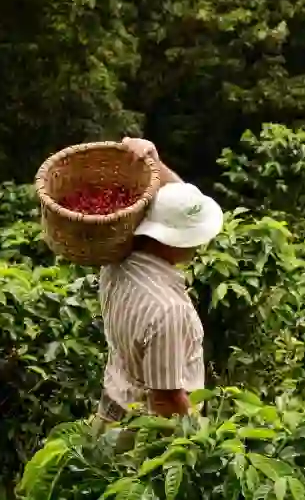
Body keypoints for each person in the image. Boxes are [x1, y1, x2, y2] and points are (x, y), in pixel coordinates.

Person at [94, 136, 224, 433]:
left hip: (111, 409)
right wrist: (199, 442)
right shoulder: (169, 310)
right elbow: (165, 401)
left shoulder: (116, 261)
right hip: (141, 434)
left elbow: (175, 203)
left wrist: (154, 161)